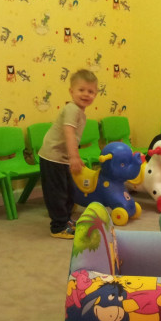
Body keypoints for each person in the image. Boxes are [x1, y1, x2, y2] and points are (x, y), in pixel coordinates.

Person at [38, 69, 98, 238]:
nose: (86, 94)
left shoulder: (80, 112)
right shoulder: (72, 109)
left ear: (95, 95)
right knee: (57, 193)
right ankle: (58, 227)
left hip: (62, 157)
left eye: (90, 91)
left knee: (69, 191)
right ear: (71, 91)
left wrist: (72, 157)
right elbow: (69, 133)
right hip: (53, 156)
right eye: (81, 90)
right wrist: (74, 156)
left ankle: (65, 220)